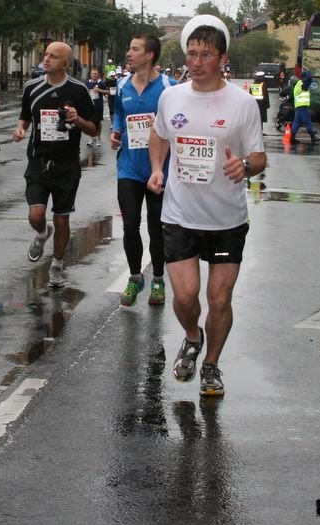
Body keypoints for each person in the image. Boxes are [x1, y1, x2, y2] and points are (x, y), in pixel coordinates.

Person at [147, 20, 266, 397]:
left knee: (219, 299)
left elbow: (259, 157)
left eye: (206, 55)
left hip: (227, 218)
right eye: (192, 54)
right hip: (180, 214)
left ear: (222, 58)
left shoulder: (243, 104)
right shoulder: (172, 97)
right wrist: (155, 169)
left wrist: (244, 166)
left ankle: (211, 365)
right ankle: (192, 336)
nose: (197, 62)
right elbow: (159, 134)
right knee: (184, 297)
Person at [13, 41, 97, 288]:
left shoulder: (78, 90)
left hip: (67, 164)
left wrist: (77, 118)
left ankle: (57, 266)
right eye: (46, 54)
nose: (46, 59)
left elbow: (94, 129)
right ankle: (41, 233)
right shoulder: (32, 87)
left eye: (54, 56)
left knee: (62, 220)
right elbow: (25, 117)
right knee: (36, 214)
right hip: (38, 161)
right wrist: (20, 129)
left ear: (66, 63)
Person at [110, 34, 176, 307]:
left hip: (159, 169)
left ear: (149, 55)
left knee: (157, 228)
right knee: (129, 224)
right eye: (129, 47)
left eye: (134, 49)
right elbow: (117, 113)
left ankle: (158, 279)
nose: (129, 53)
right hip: (129, 167)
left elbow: (179, 122)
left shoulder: (168, 87)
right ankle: (135, 276)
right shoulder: (122, 84)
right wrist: (116, 132)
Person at [290, 70, 320, 144]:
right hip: (302, 106)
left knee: (297, 122)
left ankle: (292, 137)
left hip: (298, 106)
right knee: (307, 121)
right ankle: (313, 137)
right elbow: (309, 78)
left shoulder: (298, 84)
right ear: (304, 78)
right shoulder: (302, 84)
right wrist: (307, 71)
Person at [85, 69, 109, 147]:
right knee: (90, 122)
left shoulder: (101, 83)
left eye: (95, 74)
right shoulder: (87, 83)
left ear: (98, 75)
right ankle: (91, 138)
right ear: (90, 74)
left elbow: (107, 92)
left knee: (98, 122)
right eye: (93, 74)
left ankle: (98, 138)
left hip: (98, 106)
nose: (94, 75)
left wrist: (99, 90)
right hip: (89, 106)